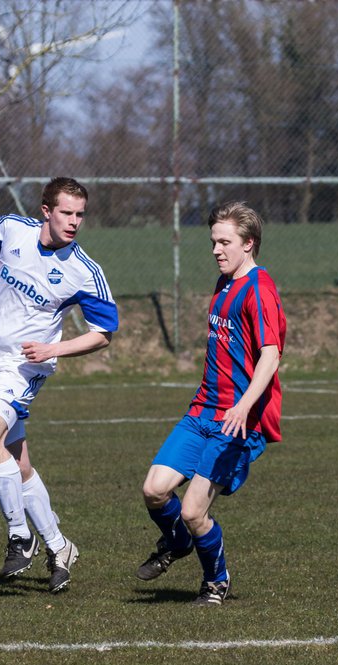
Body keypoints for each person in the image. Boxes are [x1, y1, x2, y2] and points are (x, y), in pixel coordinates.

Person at [0, 177, 118, 593]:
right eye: (66, 212)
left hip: (22, 368)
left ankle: (19, 535)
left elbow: (103, 332)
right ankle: (59, 545)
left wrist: (55, 350)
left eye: (80, 214)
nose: (74, 222)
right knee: (16, 461)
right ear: (46, 210)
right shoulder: (12, 229)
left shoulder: (84, 271)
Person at [136, 201, 287, 605]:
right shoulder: (224, 283)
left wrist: (243, 406)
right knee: (154, 489)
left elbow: (270, 356)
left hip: (237, 422)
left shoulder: (259, 291)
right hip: (202, 411)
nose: (216, 250)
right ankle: (178, 544)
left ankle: (216, 581)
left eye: (225, 242)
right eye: (213, 242)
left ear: (249, 244)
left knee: (192, 511)